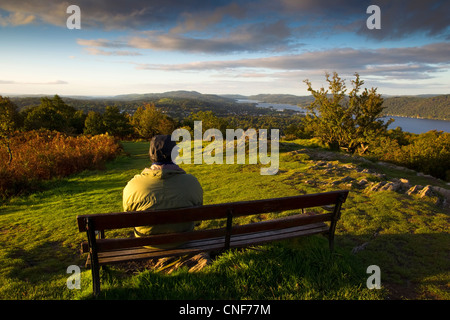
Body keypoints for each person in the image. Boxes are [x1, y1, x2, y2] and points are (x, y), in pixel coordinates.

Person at [122, 135, 203, 249]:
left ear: (150, 154)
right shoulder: (192, 182)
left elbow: (128, 218)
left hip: (147, 242)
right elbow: (198, 220)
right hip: (182, 239)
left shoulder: (132, 185)